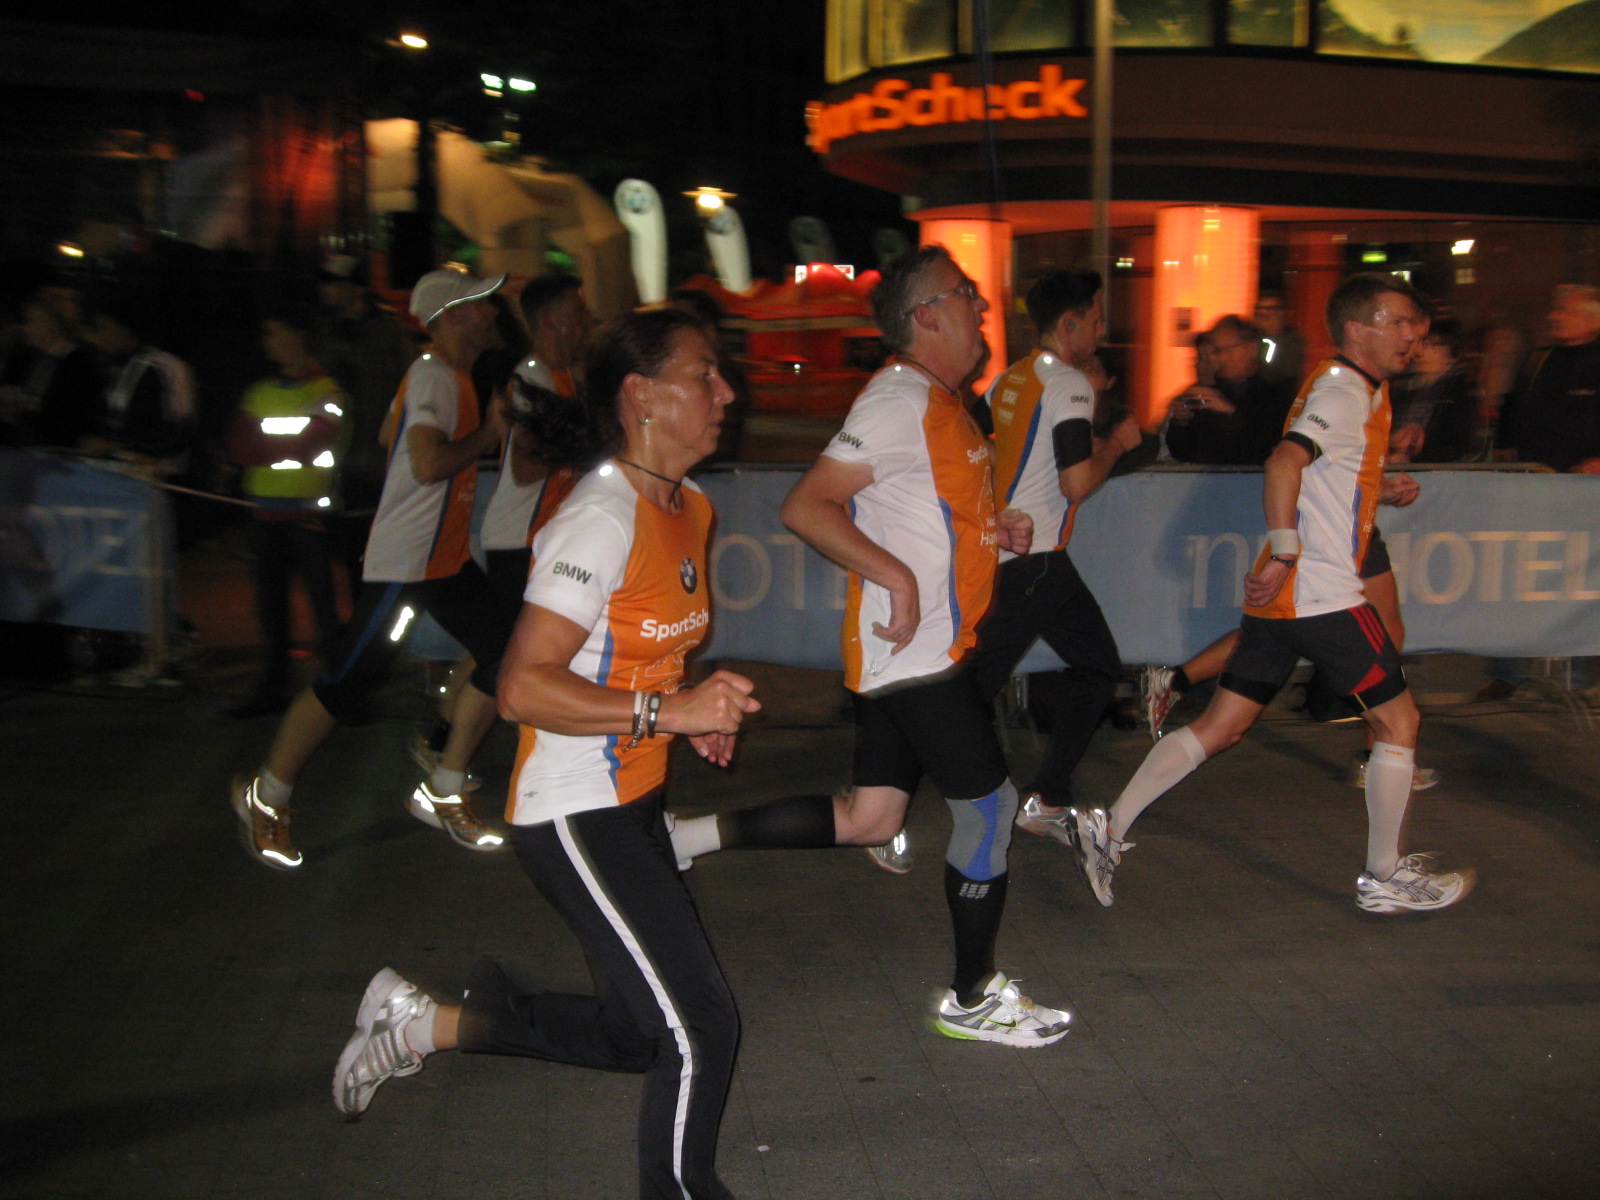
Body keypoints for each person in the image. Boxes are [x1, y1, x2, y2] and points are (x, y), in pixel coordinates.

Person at [331, 308, 758, 1200]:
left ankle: (422, 1026)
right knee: (699, 1029)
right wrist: (668, 710)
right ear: (643, 396)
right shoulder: (598, 517)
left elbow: (641, 651)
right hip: (571, 812)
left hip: (633, 804)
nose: (726, 392)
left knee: (638, 1033)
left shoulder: (692, 507)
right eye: (704, 374)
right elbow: (523, 687)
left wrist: (686, 711)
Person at [670, 245, 1072, 1047]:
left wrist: (991, 531)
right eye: (964, 294)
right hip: (911, 653)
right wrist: (897, 577)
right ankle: (972, 997)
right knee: (989, 810)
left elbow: (921, 509)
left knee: (870, 818)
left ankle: (685, 837)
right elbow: (807, 505)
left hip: (919, 651)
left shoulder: (941, 402)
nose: (980, 306)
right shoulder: (897, 399)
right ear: (925, 316)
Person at [1076, 273, 1473, 915]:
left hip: (1287, 596)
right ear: (1356, 329)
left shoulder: (1354, 386)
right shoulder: (1343, 390)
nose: (1413, 335)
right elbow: (1284, 461)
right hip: (1320, 592)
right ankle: (1384, 877)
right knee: (1398, 721)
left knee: (1222, 726)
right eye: (1398, 322)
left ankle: (1108, 827)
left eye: (1417, 326)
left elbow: (1323, 473)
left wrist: (1377, 488)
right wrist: (1287, 549)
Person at [228, 270, 515, 870]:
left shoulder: (444, 376)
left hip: (442, 561)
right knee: (348, 683)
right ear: (451, 317)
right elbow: (429, 463)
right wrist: (488, 433)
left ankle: (443, 781)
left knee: (506, 655)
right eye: (482, 304)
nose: (493, 311)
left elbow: (392, 432)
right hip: (407, 566)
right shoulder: (435, 375)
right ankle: (266, 795)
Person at [969, 268, 1143, 849]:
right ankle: (884, 793)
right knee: (970, 691)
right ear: (1069, 324)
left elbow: (976, 447)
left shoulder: (1010, 379)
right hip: (1035, 558)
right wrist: (1116, 445)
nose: (1101, 330)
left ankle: (1046, 795)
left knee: (1096, 667)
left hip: (1021, 556)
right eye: (1095, 319)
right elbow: (1076, 483)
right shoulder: (1070, 384)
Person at [224, 304, 348, 717]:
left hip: (307, 516)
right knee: (271, 611)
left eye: (276, 333)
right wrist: (281, 450)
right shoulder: (260, 392)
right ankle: (275, 687)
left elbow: (315, 441)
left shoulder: (326, 391)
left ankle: (339, 691)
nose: (269, 343)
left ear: (299, 335)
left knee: (324, 610)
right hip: (266, 516)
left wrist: (263, 450)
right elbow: (239, 446)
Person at [80, 292, 196, 479]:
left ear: (124, 328)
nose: (99, 336)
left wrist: (142, 454)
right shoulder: (115, 367)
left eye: (104, 327)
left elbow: (182, 430)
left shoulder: (167, 366)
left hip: (153, 477)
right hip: (116, 470)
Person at [1164, 314, 1298, 465]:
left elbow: (1267, 449)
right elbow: (1183, 453)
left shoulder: (1277, 392)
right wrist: (1180, 423)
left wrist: (1231, 414)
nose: (1220, 359)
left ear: (1252, 348)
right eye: (1217, 351)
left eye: (1226, 350)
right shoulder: (1212, 391)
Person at [1390, 316, 1477, 463]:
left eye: (1429, 345)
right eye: (1418, 343)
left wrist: (1413, 457)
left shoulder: (1460, 392)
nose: (1419, 351)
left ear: (1451, 352)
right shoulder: (1404, 386)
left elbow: (1459, 447)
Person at [1253, 289, 1305, 392]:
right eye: (1260, 312)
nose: (1265, 316)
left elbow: (1284, 376)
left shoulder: (1293, 344)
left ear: (1284, 314)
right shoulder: (1249, 341)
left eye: (1271, 311)